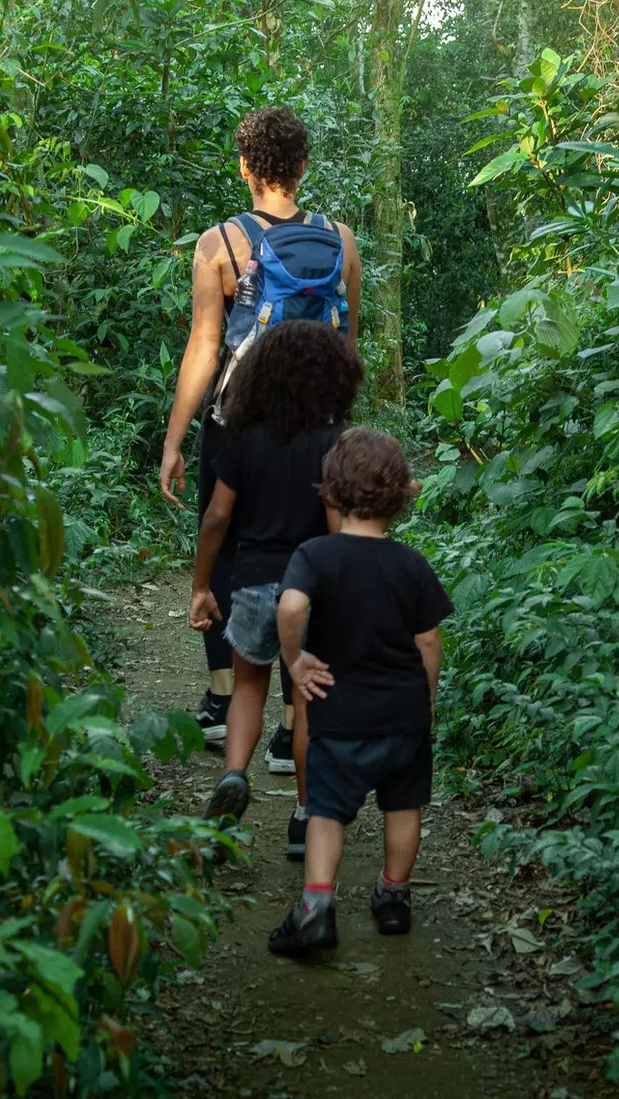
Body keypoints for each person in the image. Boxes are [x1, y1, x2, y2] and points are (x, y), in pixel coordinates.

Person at [158, 107, 362, 762]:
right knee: (313, 551)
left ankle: (224, 696)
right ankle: (292, 720)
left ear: (246, 166)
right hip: (321, 430)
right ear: (302, 166)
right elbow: (349, 346)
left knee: (226, 549)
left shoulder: (220, 243)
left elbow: (204, 346)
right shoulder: (342, 240)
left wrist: (174, 439)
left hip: (238, 425)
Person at [268, 429, 451, 956]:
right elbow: (429, 639)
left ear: (331, 491)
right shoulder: (410, 564)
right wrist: (427, 699)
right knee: (404, 805)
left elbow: (291, 607)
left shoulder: (315, 555)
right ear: (399, 496)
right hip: (402, 716)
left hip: (338, 714)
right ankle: (393, 896)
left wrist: (295, 660)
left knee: (325, 811)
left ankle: (317, 907)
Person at [191, 321, 363, 862]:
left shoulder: (244, 436)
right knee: (307, 698)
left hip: (251, 585)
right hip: (310, 590)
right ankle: (304, 816)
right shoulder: (332, 441)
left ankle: (235, 776)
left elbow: (218, 516)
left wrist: (201, 584)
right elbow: (339, 527)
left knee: (247, 687)